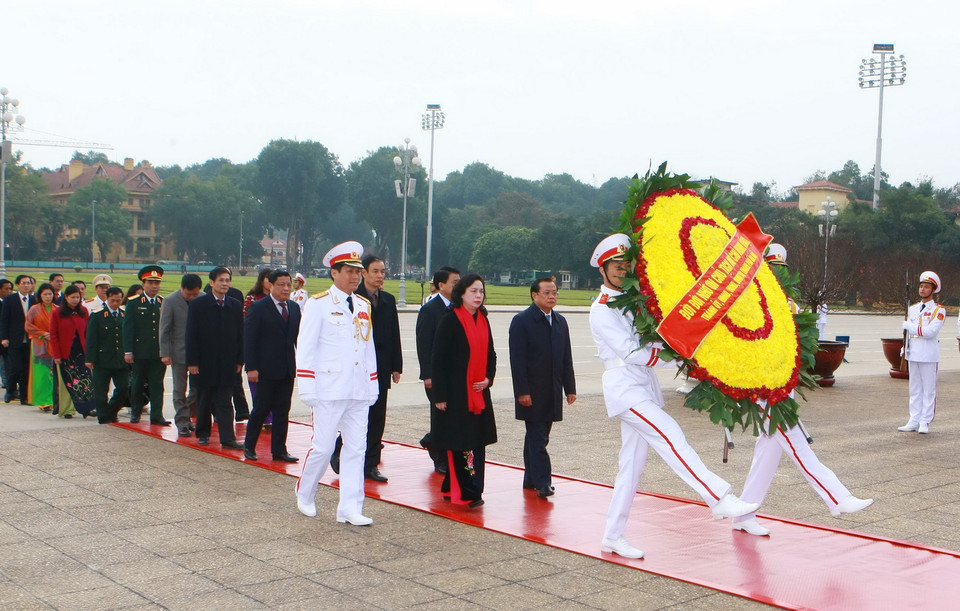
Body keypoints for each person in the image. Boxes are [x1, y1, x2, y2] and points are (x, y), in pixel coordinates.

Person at [588, 233, 758, 560]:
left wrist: (682, 347)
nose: (624, 271)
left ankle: (612, 536)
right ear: (603, 269)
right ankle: (718, 497)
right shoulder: (602, 309)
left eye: (628, 266)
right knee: (670, 434)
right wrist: (673, 355)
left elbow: (652, 339)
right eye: (617, 267)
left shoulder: (634, 302)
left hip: (641, 385)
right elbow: (631, 351)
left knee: (631, 468)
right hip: (625, 389)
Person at [733, 245, 873, 536]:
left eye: (780, 270)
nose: (776, 275)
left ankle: (744, 513)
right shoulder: (749, 303)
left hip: (785, 383)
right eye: (770, 269)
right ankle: (837, 497)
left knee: (768, 452)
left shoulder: (790, 305)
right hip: (763, 386)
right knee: (797, 444)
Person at [295, 241, 378, 525]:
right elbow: (304, 348)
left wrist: (373, 384)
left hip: (358, 388)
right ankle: (305, 492)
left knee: (356, 448)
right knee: (324, 446)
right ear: (334, 272)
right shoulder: (318, 305)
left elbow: (369, 349)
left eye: (358, 272)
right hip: (328, 388)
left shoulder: (363, 304)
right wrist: (307, 386)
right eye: (349, 272)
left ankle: (350, 507)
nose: (355, 277)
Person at [331, 254, 402, 482]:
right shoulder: (354, 297)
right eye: (375, 271)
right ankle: (340, 451)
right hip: (358, 367)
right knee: (356, 414)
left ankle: (371, 463)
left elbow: (394, 333)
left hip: (380, 368)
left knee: (378, 416)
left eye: (383, 271)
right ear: (364, 273)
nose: (380, 276)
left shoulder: (388, 300)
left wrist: (396, 365)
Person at [430, 273, 497, 508]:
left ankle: (454, 486)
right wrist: (440, 396)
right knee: (462, 443)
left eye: (481, 291)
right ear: (461, 294)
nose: (478, 296)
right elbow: (438, 360)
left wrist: (488, 378)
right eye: (473, 291)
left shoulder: (483, 318)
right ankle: (470, 491)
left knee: (475, 442)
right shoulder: (450, 320)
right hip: (457, 395)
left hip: (479, 393)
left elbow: (491, 353)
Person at [509, 277, 576, 498]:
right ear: (534, 295)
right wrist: (522, 391)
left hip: (553, 389)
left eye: (555, 293)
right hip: (532, 391)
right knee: (538, 437)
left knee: (537, 436)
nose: (552, 297)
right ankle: (542, 482)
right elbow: (517, 361)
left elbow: (566, 357)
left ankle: (530, 478)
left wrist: (570, 388)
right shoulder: (522, 321)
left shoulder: (560, 321)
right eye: (546, 293)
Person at [243, 269, 301, 462]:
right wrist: (251, 367)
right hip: (265, 369)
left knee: (283, 410)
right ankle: (249, 446)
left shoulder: (293, 308)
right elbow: (250, 339)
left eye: (288, 285)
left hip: (286, 369)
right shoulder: (259, 307)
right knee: (261, 409)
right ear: (271, 285)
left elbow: (296, 339)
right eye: (281, 285)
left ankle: (279, 450)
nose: (286, 289)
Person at [186, 266, 245, 450]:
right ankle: (203, 433)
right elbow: (191, 335)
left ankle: (227, 438)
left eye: (227, 280)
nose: (225, 284)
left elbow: (240, 334)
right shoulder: (198, 305)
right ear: (212, 283)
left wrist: (239, 360)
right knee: (204, 399)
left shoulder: (234, 305)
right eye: (221, 280)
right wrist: (192, 362)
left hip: (227, 362)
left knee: (226, 401)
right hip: (205, 362)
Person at [416, 266, 460, 473]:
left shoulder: (459, 307)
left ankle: (432, 441)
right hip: (436, 375)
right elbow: (424, 345)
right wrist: (428, 375)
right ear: (441, 285)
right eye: (455, 282)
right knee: (440, 415)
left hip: (455, 374)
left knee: (452, 416)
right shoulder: (430, 310)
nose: (459, 286)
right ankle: (439, 456)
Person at [898, 271, 946, 435]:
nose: (923, 289)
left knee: (928, 389)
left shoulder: (938, 310)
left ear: (933, 290)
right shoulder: (913, 309)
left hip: (928, 353)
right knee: (915, 388)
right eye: (921, 286)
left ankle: (925, 420)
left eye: (927, 287)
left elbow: (931, 331)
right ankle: (914, 419)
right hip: (914, 352)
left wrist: (909, 326)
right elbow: (909, 334)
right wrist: (905, 347)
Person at [123, 266, 169, 425]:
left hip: (158, 352)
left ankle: (157, 415)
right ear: (143, 284)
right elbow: (128, 328)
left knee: (157, 385)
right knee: (137, 384)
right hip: (140, 352)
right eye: (150, 282)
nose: (154, 286)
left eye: (157, 282)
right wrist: (128, 351)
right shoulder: (134, 303)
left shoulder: (163, 302)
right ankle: (135, 412)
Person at [160, 274, 203, 437]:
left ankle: (188, 414)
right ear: (182, 288)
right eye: (189, 294)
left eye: (195, 294)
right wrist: (165, 353)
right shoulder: (170, 301)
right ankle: (183, 422)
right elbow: (164, 329)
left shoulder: (204, 298)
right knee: (179, 389)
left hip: (199, 354)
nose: (192, 298)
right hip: (179, 352)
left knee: (197, 389)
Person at [49, 285, 95, 419]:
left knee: (85, 380)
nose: (75, 300)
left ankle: (87, 408)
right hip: (65, 353)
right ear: (66, 298)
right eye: (72, 297)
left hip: (81, 351)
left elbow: (88, 333)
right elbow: (53, 335)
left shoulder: (84, 311)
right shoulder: (57, 313)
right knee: (68, 382)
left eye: (77, 297)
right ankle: (67, 410)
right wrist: (56, 355)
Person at [85, 287, 128, 424]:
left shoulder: (124, 314)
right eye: (112, 300)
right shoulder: (97, 315)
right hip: (102, 359)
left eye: (118, 300)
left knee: (123, 388)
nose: (115, 303)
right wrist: (90, 358)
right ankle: (103, 417)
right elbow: (91, 338)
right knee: (101, 390)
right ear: (107, 299)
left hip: (120, 360)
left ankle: (112, 410)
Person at [0, 275, 37, 404]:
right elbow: (4, 320)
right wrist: (4, 338)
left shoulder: (34, 300)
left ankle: (24, 396)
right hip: (14, 339)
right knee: (15, 367)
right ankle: (10, 390)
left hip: (30, 340)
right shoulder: (10, 300)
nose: (27, 285)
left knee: (26, 369)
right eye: (24, 283)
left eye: (28, 283)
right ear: (18, 285)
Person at [25, 283, 57, 412]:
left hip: (54, 345)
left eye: (50, 294)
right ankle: (42, 401)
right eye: (45, 294)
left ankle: (52, 400)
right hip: (39, 345)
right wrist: (43, 334)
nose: (48, 297)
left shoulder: (58, 309)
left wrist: (53, 335)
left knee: (53, 374)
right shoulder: (34, 309)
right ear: (40, 296)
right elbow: (28, 326)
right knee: (41, 374)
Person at [0, 278, 14, 390]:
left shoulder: (10, 302)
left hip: (7, 338)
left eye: (11, 289)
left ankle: (7, 383)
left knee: (6, 362)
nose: (9, 291)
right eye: (6, 289)